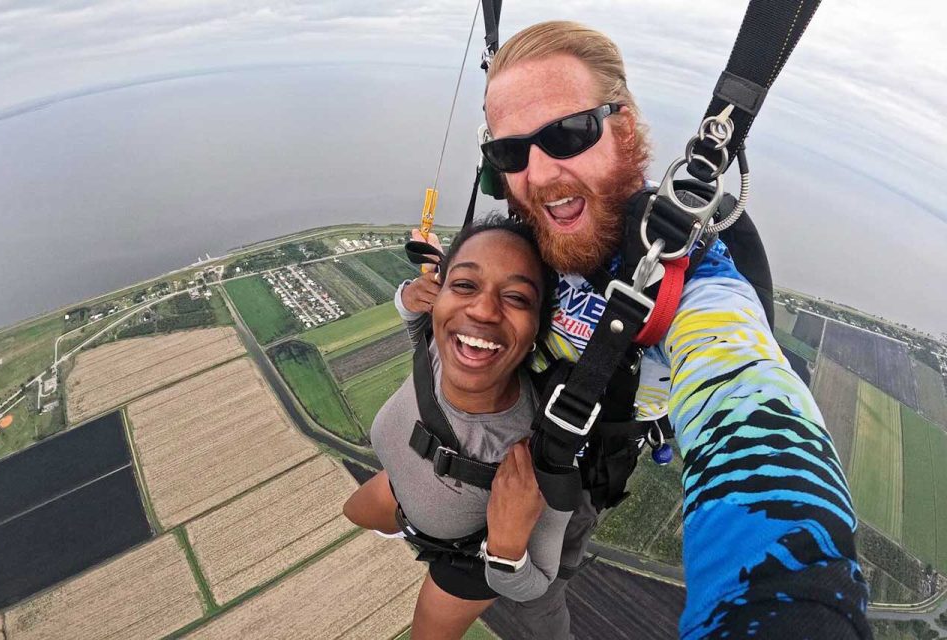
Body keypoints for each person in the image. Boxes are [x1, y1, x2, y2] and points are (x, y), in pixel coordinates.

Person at [396, 20, 871, 640]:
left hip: (573, 476)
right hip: (495, 433)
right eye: (510, 153)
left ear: (625, 126)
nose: (538, 175)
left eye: (568, 133)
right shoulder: (533, 228)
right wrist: (418, 299)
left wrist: (790, 608)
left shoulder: (691, 284)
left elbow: (748, 408)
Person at [343, 217, 571, 640]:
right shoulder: (436, 343)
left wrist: (506, 549)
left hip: (469, 559)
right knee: (354, 513)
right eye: (464, 286)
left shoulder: (534, 451)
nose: (483, 310)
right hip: (403, 488)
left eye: (517, 297)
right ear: (440, 296)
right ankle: (418, 520)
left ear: (539, 326)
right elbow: (415, 319)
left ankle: (430, 530)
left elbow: (536, 582)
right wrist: (409, 296)